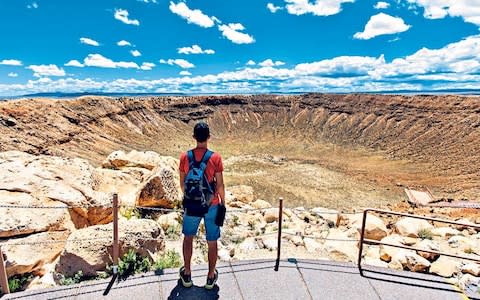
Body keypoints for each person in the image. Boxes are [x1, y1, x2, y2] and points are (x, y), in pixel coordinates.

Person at [178, 121, 225, 289]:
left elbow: (183, 184)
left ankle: (188, 273)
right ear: (209, 137)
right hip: (211, 205)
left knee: (188, 238)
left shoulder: (185, 157)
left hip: (191, 205)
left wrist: (191, 198)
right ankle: (211, 276)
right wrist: (222, 203)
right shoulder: (215, 158)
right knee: (212, 241)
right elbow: (219, 184)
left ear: (194, 137)